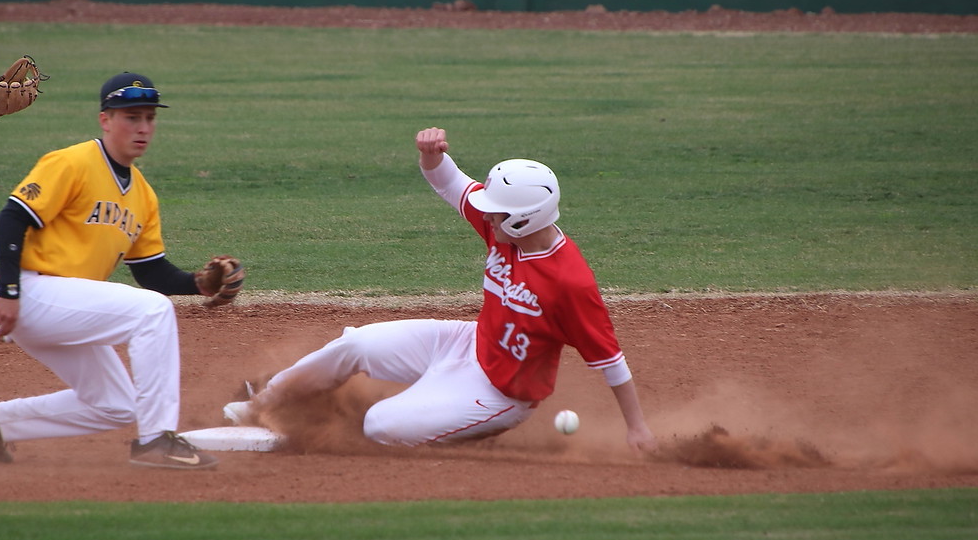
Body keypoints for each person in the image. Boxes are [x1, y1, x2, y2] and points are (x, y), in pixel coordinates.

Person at [224, 127, 657, 452]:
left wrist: (637, 427)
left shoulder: (569, 282)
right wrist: (431, 155)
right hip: (464, 343)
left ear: (525, 219)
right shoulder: (504, 229)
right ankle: (262, 403)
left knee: (380, 426)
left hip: (502, 393)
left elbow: (610, 361)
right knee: (355, 345)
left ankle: (468, 425)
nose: (487, 217)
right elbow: (451, 184)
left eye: (496, 213)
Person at [0, 72, 242, 470]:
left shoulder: (142, 194)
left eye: (148, 118)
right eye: (131, 117)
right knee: (153, 312)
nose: (142, 127)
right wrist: (6, 292)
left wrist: (199, 283)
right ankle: (157, 440)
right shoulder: (72, 162)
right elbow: (11, 219)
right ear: (105, 119)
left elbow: (151, 272)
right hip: (30, 292)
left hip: (66, 306)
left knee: (115, 406)